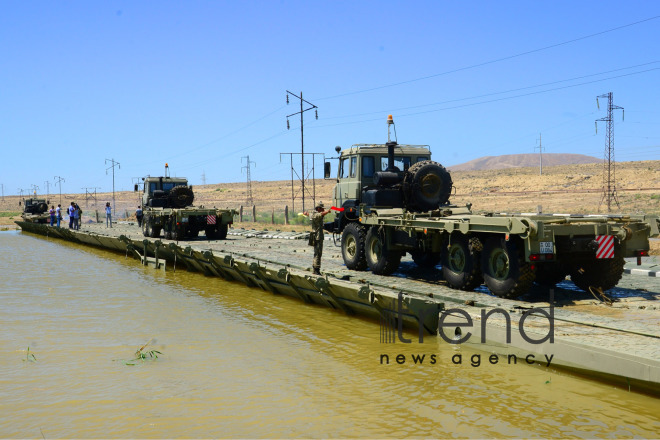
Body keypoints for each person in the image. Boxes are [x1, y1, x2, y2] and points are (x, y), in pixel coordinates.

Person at [304, 201, 331, 275]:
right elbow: (321, 214)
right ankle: (316, 269)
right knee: (318, 253)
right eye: (322, 208)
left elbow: (309, 214)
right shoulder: (316, 215)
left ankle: (314, 268)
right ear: (318, 208)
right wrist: (327, 211)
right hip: (318, 237)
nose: (322, 209)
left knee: (316, 253)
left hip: (315, 236)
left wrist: (306, 214)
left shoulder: (312, 214)